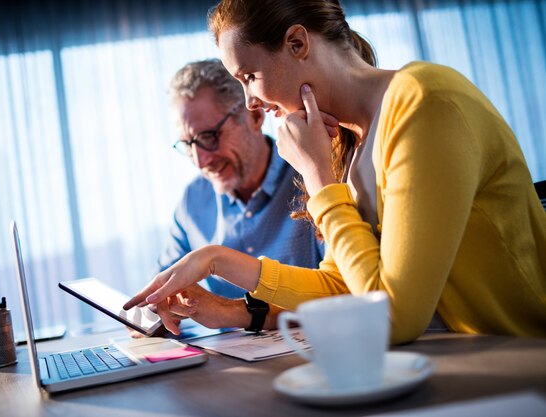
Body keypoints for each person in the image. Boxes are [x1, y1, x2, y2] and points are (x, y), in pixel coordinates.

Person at [125, 0, 546, 344]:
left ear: (297, 43)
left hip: (522, 352)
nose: (251, 101)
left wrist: (317, 176)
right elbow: (343, 286)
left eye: (250, 76)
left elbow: (390, 317)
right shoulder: (351, 142)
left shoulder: (423, 104)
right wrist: (216, 261)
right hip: (462, 355)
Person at [154, 59, 324, 332]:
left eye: (209, 137)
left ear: (255, 117)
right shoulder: (193, 202)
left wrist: (232, 311)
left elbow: (343, 293)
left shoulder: (313, 175)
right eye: (188, 145)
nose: (200, 161)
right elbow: (162, 290)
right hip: (226, 369)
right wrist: (156, 313)